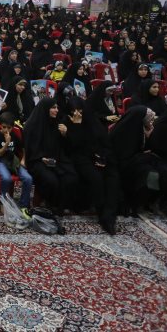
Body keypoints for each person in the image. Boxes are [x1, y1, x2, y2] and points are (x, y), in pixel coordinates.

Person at [63, 99, 121, 234]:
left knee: (112, 177)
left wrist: (102, 157)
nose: (77, 114)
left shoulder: (92, 121)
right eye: (73, 111)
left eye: (79, 111)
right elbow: (74, 147)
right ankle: (103, 215)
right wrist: (76, 126)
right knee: (96, 179)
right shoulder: (67, 122)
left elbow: (103, 142)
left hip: (98, 156)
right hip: (80, 158)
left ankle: (110, 214)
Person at [22, 98, 79, 214]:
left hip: (56, 158)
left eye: (57, 107)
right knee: (52, 180)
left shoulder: (57, 124)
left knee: (71, 177)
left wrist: (65, 134)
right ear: (45, 109)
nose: (57, 110)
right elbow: (29, 148)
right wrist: (41, 158)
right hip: (37, 160)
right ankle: (51, 204)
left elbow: (65, 147)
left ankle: (62, 205)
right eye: (53, 108)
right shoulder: (32, 125)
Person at [0, 112, 34, 214]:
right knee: (6, 178)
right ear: (0, 125)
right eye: (4, 127)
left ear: (12, 127)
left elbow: (23, 147)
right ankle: (2, 202)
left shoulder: (14, 135)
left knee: (28, 178)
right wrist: (7, 143)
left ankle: (24, 205)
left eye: (9, 128)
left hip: (12, 161)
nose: (6, 130)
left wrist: (23, 160)